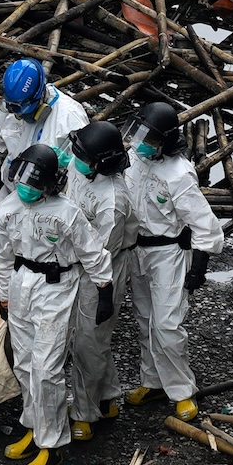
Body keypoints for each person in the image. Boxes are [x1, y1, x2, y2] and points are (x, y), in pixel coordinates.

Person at [0, 144, 114, 465]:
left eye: (34, 180)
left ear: (50, 184)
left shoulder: (67, 212)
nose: (26, 185)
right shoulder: (8, 207)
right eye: (23, 177)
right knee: (25, 364)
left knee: (47, 368)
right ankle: (33, 427)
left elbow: (92, 252)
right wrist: (4, 297)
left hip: (57, 286)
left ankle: (53, 445)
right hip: (22, 283)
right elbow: (2, 257)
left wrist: (105, 289)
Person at [122, 102, 224, 422]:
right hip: (138, 249)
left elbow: (203, 223)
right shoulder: (135, 161)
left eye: (147, 138)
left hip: (167, 252)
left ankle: (182, 390)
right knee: (144, 319)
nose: (139, 142)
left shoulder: (178, 173)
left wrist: (199, 264)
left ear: (164, 140)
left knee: (167, 325)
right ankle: (152, 382)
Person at [64, 121, 136, 442]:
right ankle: (106, 398)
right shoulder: (82, 164)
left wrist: (104, 293)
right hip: (75, 257)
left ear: (100, 164)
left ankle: (84, 414)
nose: (74, 159)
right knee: (88, 337)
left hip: (103, 267)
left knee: (88, 342)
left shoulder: (113, 200)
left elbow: (100, 251)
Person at [0, 58, 89, 198]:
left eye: (25, 109)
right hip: (9, 195)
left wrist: (69, 163)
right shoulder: (10, 108)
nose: (20, 115)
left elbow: (82, 173)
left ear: (40, 95)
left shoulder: (69, 117)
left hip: (46, 203)